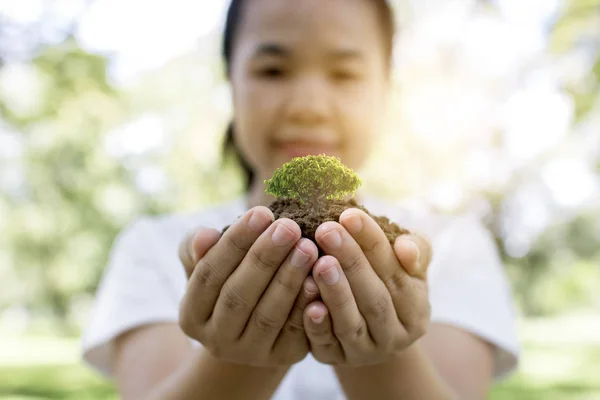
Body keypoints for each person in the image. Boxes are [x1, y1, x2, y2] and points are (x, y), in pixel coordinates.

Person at [81, 0, 520, 399]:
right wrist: (237, 360)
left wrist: (382, 353)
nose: (309, 106)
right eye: (272, 70)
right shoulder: (153, 248)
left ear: (386, 86)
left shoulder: (451, 247)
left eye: (345, 73)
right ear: (230, 80)